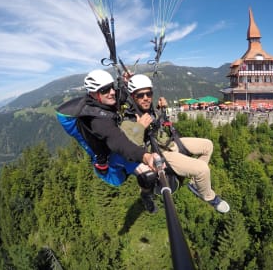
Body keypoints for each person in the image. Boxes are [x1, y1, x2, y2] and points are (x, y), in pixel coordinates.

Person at [121, 74, 230, 213]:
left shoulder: (149, 110)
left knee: (207, 145)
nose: (146, 98)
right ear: (132, 97)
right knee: (202, 169)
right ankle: (209, 197)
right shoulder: (128, 120)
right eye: (140, 95)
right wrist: (140, 127)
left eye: (149, 93)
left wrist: (161, 110)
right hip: (160, 152)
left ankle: (195, 185)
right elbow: (128, 147)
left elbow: (157, 123)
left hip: (169, 142)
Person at [56, 69, 160, 213]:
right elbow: (118, 142)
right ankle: (146, 196)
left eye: (111, 87)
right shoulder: (97, 122)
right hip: (109, 165)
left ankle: (146, 192)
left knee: (147, 175)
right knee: (147, 175)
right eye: (105, 90)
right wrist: (145, 156)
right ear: (94, 94)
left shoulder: (102, 100)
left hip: (113, 152)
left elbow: (119, 96)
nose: (112, 92)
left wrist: (125, 82)